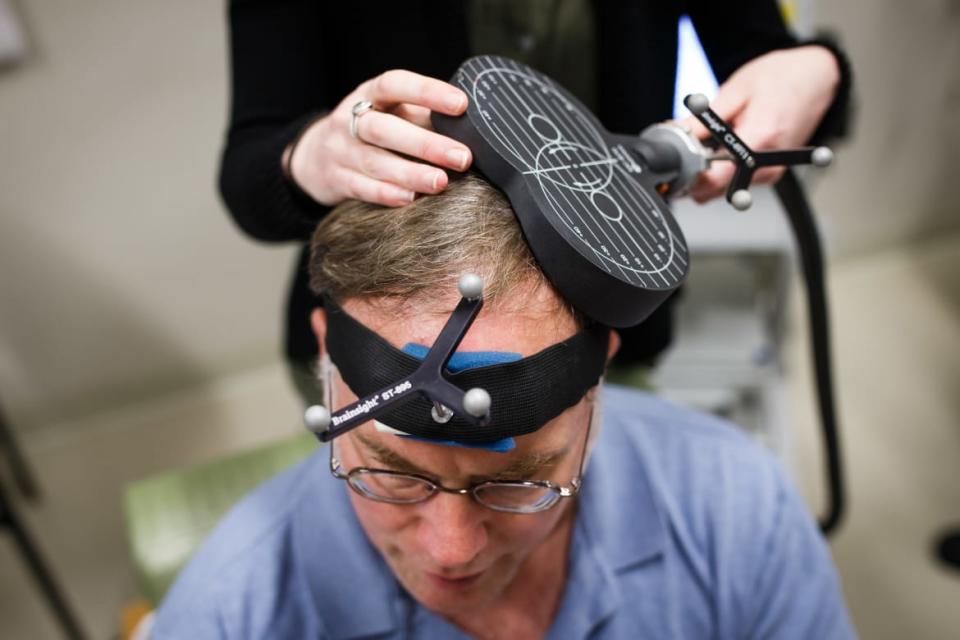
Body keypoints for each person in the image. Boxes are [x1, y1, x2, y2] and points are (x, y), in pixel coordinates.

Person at [152, 174, 854, 638]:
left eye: (517, 480)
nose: (452, 551)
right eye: (392, 474)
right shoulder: (228, 615)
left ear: (601, 371)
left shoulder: (735, 508)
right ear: (324, 362)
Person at [218, 1, 852, 402]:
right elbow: (246, 176)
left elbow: (772, 65)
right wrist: (308, 156)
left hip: (609, 320)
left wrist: (816, 71)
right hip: (390, 345)